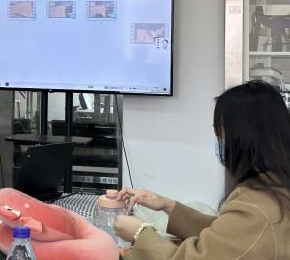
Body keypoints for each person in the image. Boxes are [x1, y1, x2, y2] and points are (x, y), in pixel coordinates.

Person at [114, 80, 290, 259]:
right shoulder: (273, 188)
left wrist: (140, 233)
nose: (218, 142)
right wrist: (167, 205)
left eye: (220, 133)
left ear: (242, 137)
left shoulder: (257, 210)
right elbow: (225, 236)